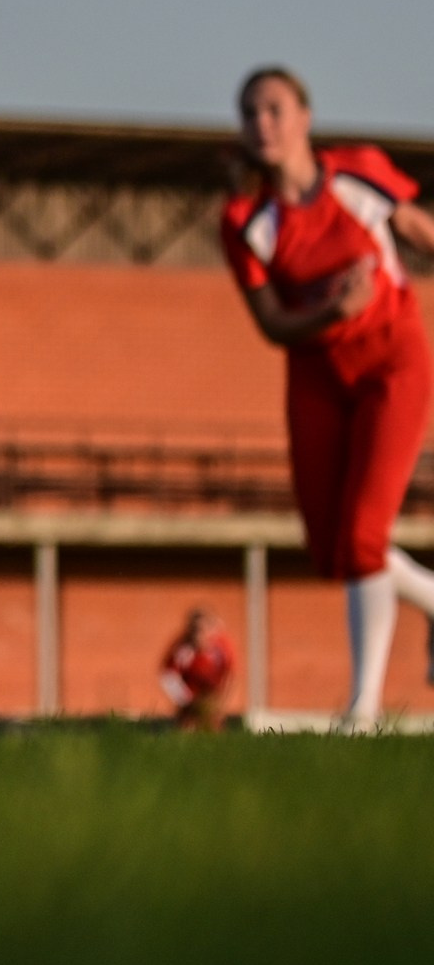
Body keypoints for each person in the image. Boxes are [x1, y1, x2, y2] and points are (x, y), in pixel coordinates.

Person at [221, 66, 434, 728]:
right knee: (332, 551)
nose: (265, 123)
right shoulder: (246, 221)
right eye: (252, 112)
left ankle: (361, 710)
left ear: (305, 117)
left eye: (276, 109)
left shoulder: (357, 174)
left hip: (392, 363)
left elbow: (421, 231)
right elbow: (271, 324)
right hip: (316, 375)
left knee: (365, 537)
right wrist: (333, 312)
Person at [159, 609, 236, 732]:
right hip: (190, 699)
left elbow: (230, 674)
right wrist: (185, 698)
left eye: (203, 629)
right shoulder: (182, 650)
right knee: (187, 727)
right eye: (196, 630)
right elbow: (169, 676)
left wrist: (222, 700)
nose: (199, 634)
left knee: (214, 724)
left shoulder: (221, 648)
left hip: (211, 697)